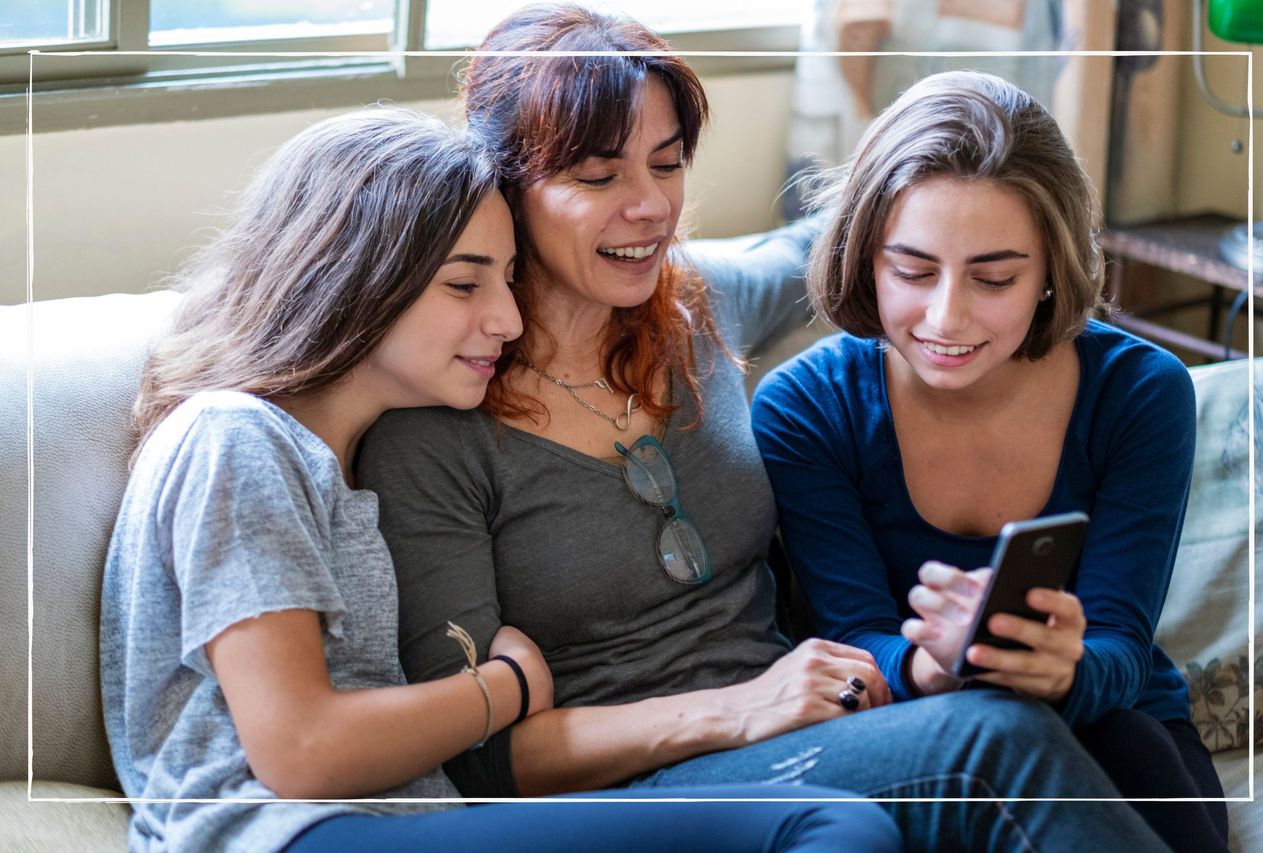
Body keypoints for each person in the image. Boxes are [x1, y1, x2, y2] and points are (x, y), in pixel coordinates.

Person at [358, 6, 1172, 851]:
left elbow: (855, 231)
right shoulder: (432, 423)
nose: (648, 207)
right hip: (630, 790)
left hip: (810, 740)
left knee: (1109, 750)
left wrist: (974, 172)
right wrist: (737, 709)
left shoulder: (697, 303)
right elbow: (480, 761)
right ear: (504, 188)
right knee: (991, 739)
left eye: (667, 163)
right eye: (598, 178)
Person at [99, 107, 905, 853]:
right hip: (287, 832)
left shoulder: (342, 463)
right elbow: (300, 749)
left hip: (406, 822)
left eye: (508, 280)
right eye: (465, 283)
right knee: (823, 822)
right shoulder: (234, 437)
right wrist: (507, 687)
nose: (508, 320)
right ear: (350, 279)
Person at [752, 70, 1227, 853]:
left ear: (1050, 271)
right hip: (918, 726)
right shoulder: (807, 408)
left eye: (995, 277)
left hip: (1113, 717)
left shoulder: (1140, 392)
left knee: (1130, 749)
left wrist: (1062, 669)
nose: (946, 317)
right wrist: (937, 669)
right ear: (866, 258)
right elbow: (856, 637)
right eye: (911, 270)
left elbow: (1120, 645)